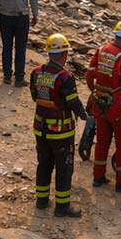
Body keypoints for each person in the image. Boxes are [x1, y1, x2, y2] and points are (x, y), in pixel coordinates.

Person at [31, 33, 88, 218]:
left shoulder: (37, 72)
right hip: (61, 132)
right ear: (63, 54)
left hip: (40, 128)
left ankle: (41, 200)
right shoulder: (65, 77)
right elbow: (72, 101)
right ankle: (62, 206)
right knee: (64, 167)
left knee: (44, 163)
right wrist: (83, 115)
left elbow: (34, 96)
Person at [87, 20, 121, 192]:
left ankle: (98, 176)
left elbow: (90, 74)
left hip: (100, 101)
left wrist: (94, 91)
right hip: (117, 106)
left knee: (102, 141)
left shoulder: (101, 50)